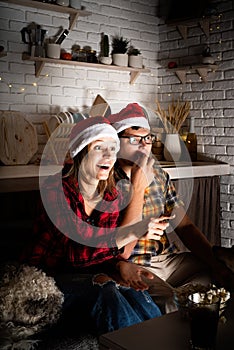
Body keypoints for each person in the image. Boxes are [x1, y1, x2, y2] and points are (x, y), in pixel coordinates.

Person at [20, 116, 162, 335]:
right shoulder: (55, 191)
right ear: (80, 152)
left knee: (135, 292)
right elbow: (77, 254)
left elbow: (101, 250)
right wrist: (133, 231)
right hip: (47, 279)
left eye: (113, 149)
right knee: (106, 290)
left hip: (89, 273)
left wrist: (119, 265)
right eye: (99, 147)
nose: (108, 156)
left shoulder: (110, 194)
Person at [107, 103, 234, 309]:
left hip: (167, 259)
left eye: (148, 138)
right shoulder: (106, 179)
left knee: (220, 275)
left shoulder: (158, 175)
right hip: (131, 263)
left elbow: (184, 226)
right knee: (168, 301)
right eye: (134, 139)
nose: (144, 145)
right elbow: (110, 247)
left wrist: (215, 263)